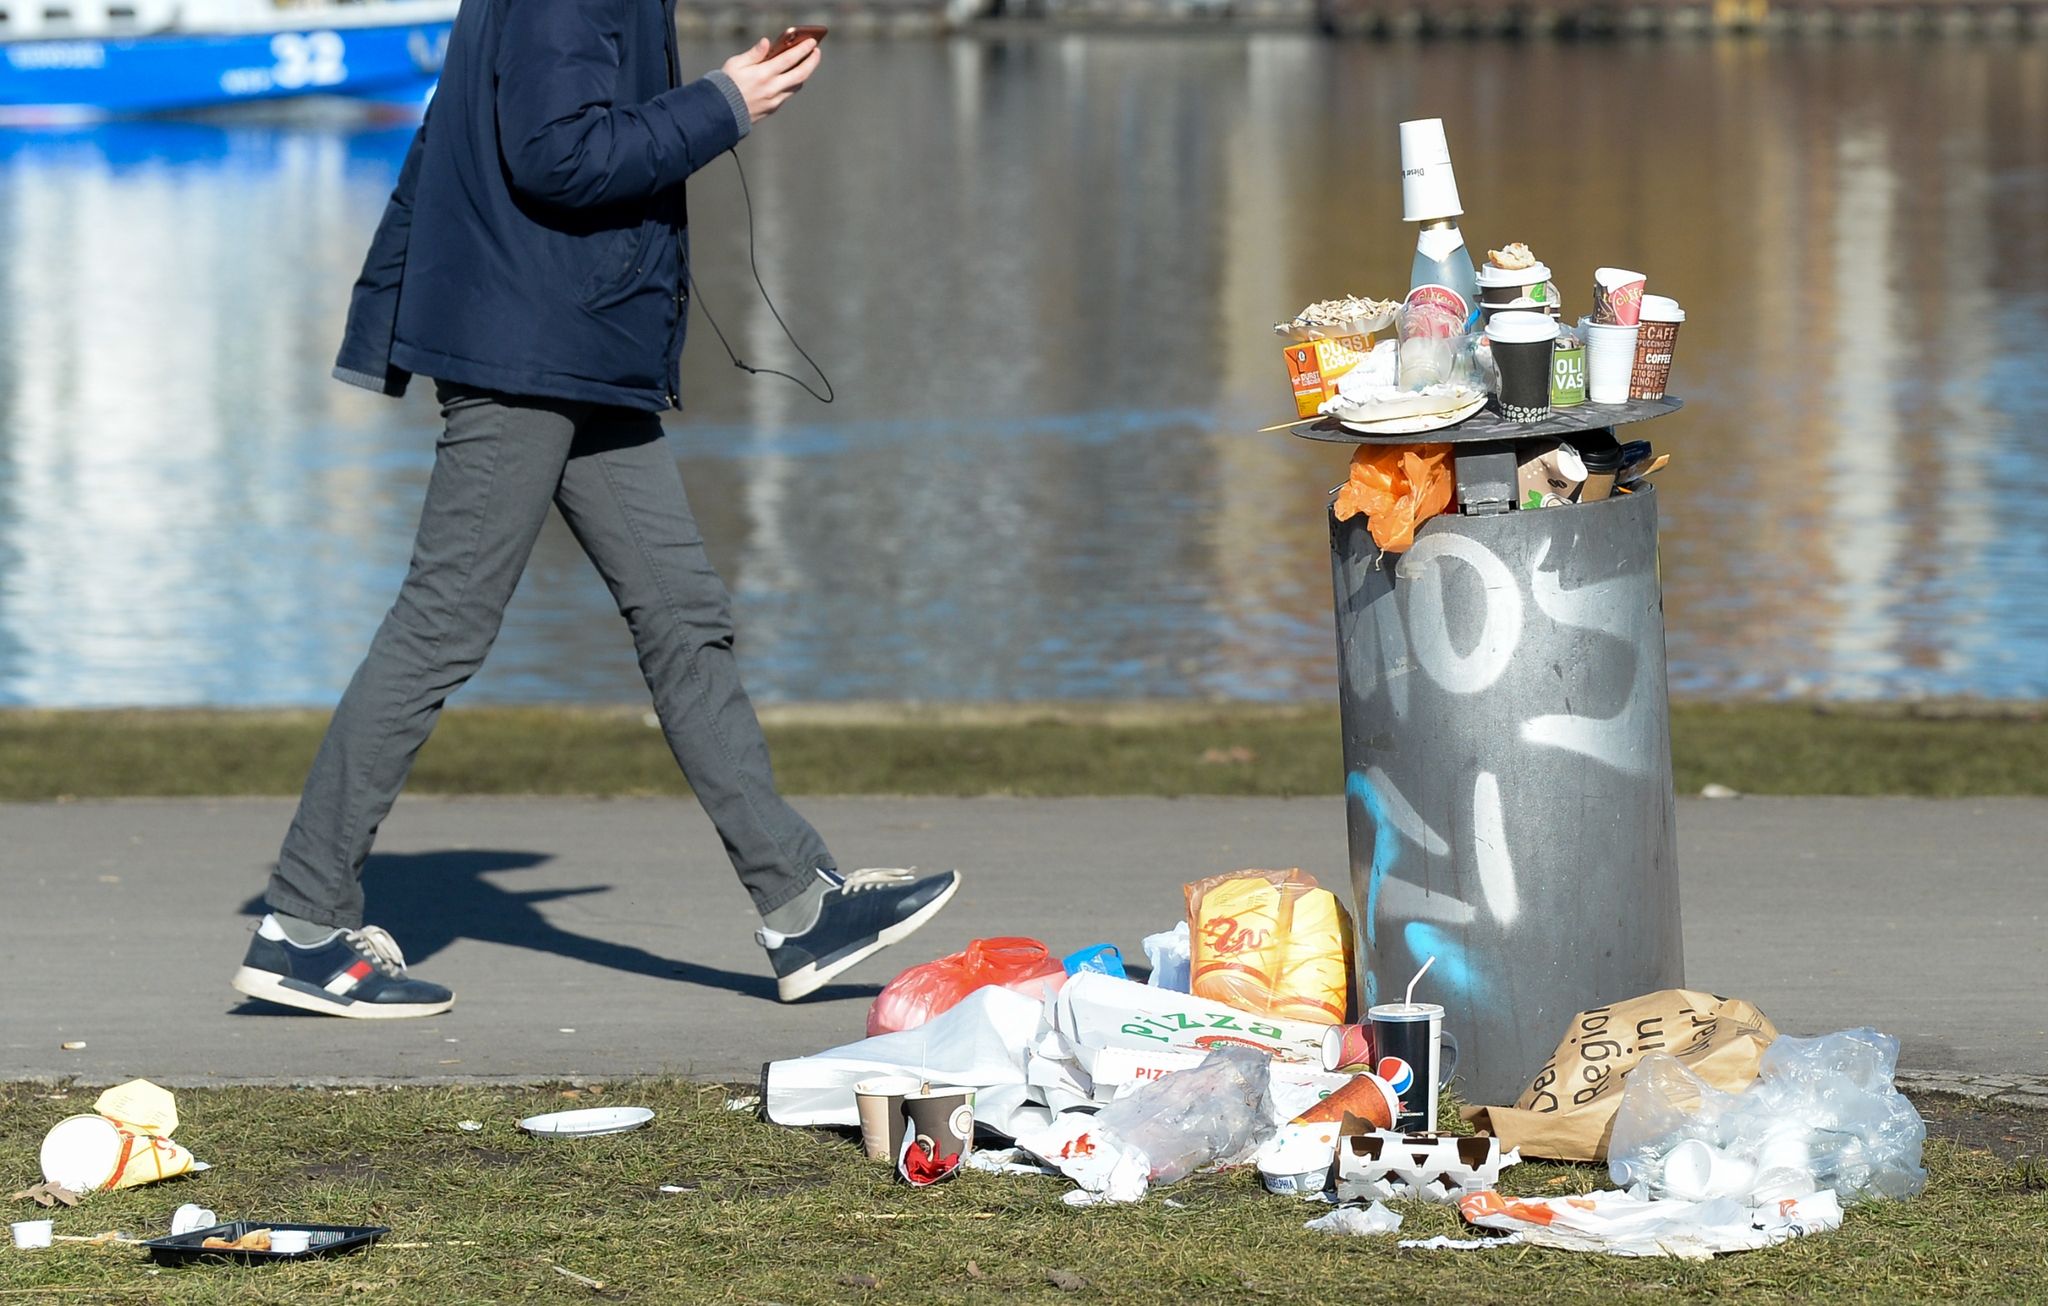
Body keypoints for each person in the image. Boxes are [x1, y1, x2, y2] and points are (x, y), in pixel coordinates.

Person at [229, 2, 957, 1019]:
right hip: (529, 349)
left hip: (577, 348)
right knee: (442, 621)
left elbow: (476, 134)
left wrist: (718, 94)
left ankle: (799, 904)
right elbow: (557, 158)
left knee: (683, 613)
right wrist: (722, 104)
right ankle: (302, 922)